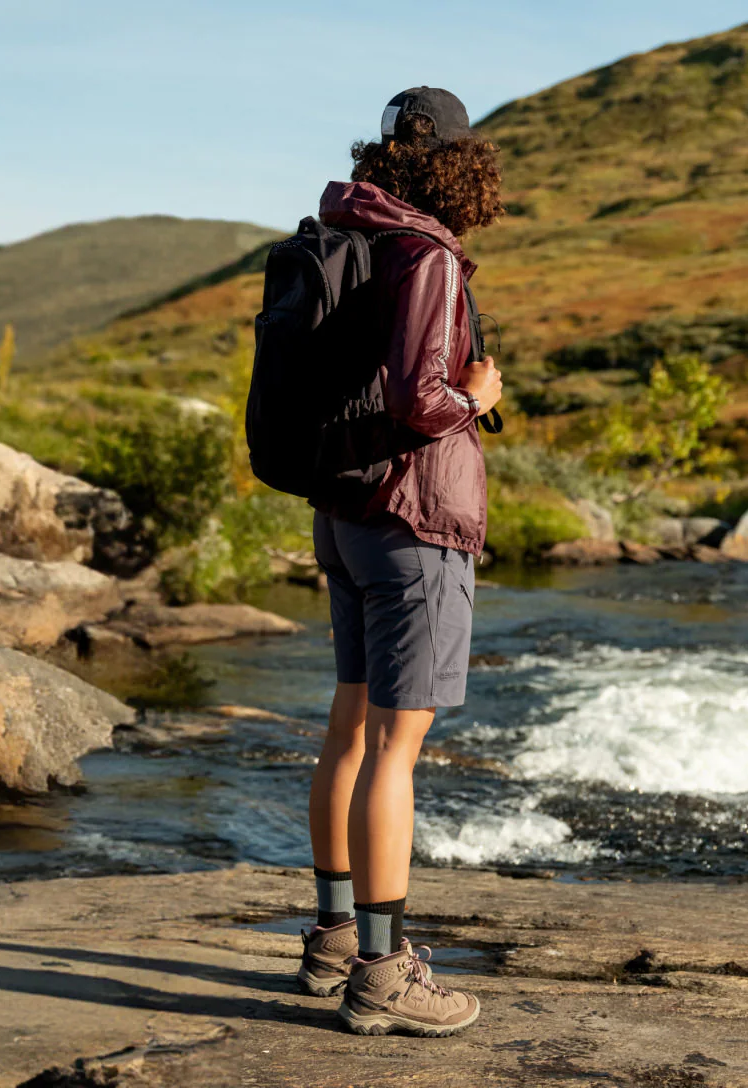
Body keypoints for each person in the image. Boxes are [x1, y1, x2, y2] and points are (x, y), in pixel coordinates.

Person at [294, 87, 504, 1037]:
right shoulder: (427, 254)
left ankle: (333, 938)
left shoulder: (355, 237)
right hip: (412, 522)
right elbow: (423, 401)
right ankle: (384, 975)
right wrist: (478, 395)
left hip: (342, 512)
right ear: (459, 164)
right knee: (395, 750)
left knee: (347, 728)